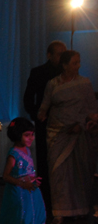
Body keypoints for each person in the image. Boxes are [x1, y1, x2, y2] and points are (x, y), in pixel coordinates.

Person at [37, 50, 98, 224]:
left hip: (78, 133)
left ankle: (80, 209)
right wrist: (40, 116)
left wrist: (80, 124)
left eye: (79, 62)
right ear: (64, 65)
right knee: (57, 171)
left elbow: (91, 110)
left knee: (79, 172)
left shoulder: (84, 83)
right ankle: (60, 210)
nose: (78, 66)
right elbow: (45, 106)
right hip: (57, 132)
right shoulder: (53, 84)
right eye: (74, 63)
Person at [23, 40, 67, 211]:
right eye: (59, 54)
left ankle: (61, 198)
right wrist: (38, 116)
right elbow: (28, 98)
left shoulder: (66, 73)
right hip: (45, 123)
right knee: (44, 160)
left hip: (64, 124)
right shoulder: (39, 72)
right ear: (49, 55)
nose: (62, 57)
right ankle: (45, 199)